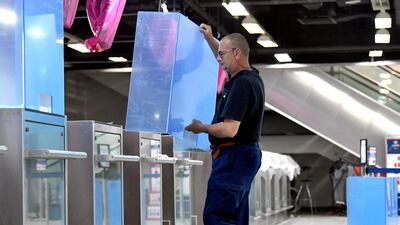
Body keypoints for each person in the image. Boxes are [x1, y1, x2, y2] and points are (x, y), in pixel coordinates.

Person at [185, 24, 265, 225]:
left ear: (236, 53)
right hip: (243, 156)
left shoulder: (241, 85)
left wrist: (200, 127)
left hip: (233, 157)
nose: (218, 58)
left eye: (222, 54)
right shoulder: (251, 77)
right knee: (235, 216)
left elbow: (229, 129)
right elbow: (224, 53)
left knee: (216, 216)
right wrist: (211, 39)